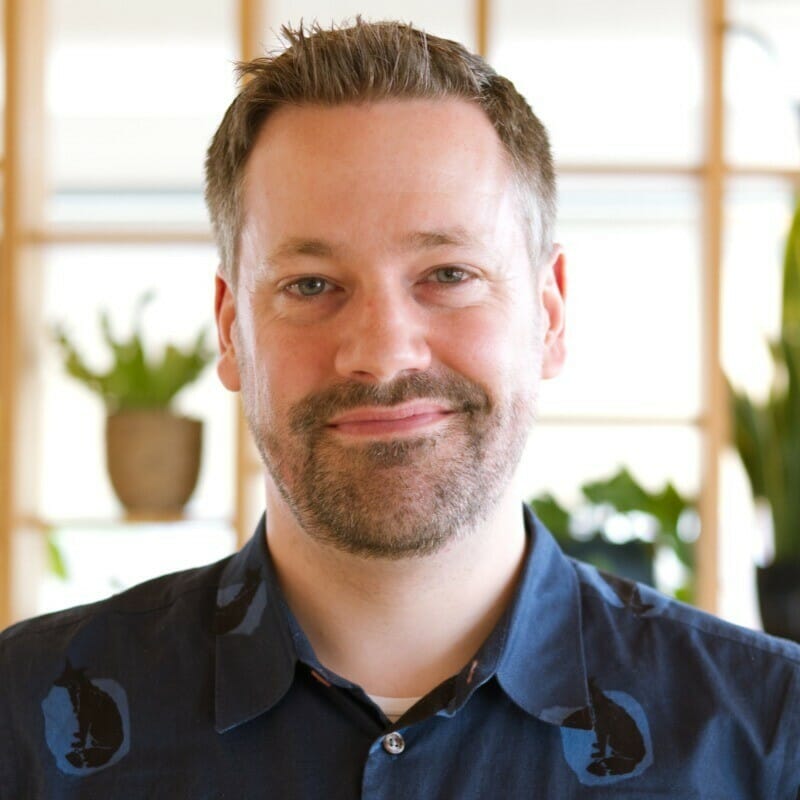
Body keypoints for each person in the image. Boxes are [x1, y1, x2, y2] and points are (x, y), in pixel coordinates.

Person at [1, 19, 798, 799]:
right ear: (232, 329)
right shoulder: (18, 725)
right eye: (310, 285)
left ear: (549, 315)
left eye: (448, 275)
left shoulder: (771, 737)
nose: (382, 354)